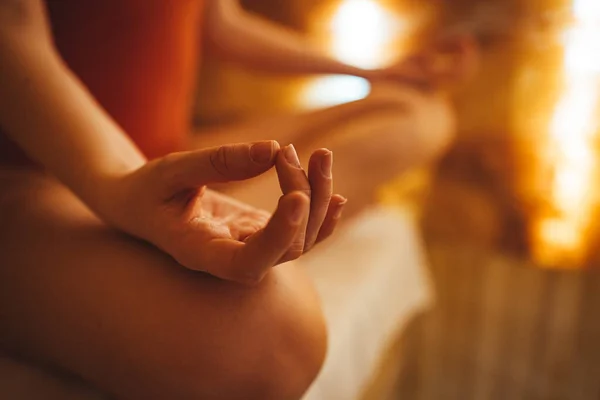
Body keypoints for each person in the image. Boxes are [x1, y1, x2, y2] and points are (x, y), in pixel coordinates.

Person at [0, 0, 476, 398]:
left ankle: (217, 219)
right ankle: (189, 221)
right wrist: (119, 183)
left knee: (418, 113)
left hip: (163, 146)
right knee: (277, 340)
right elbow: (14, 33)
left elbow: (219, 21)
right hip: (35, 170)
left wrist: (372, 71)